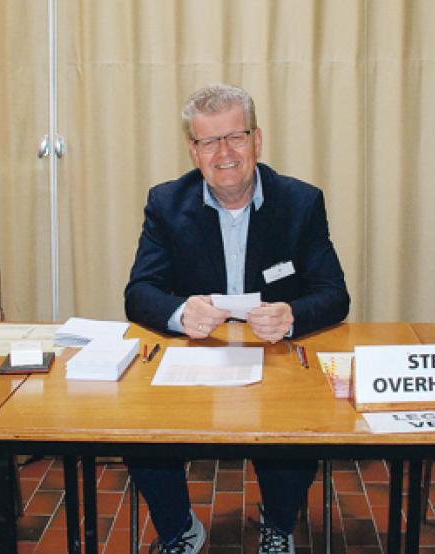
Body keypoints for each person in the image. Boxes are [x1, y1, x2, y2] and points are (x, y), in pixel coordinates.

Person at [124, 83, 350, 554]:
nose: (224, 153)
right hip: (195, 353)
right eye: (209, 141)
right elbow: (139, 293)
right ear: (193, 150)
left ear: (257, 140)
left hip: (271, 356)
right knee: (139, 435)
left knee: (296, 430)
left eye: (235, 137)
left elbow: (333, 295)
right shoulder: (166, 203)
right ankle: (179, 529)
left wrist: (291, 316)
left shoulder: (300, 202)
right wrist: (181, 311)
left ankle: (278, 523)